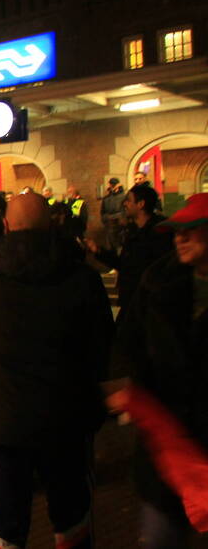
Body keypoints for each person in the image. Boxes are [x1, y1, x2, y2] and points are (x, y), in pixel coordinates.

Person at [0, 192, 114, 549]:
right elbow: (104, 345)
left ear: (6, 226)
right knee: (73, 522)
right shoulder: (81, 277)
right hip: (68, 423)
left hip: (2, 427)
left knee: (5, 531)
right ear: (51, 226)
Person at [110, 193, 208, 546]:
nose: (179, 238)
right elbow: (130, 340)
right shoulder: (159, 282)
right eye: (176, 230)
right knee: (160, 536)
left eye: (191, 230)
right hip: (169, 445)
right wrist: (134, 388)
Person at [87, 182, 172, 317]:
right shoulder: (132, 231)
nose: (124, 204)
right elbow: (123, 263)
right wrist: (98, 251)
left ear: (141, 204)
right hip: (131, 301)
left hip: (149, 306)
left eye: (128, 200)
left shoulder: (160, 232)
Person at [100, 178, 127, 254]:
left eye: (113, 185)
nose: (112, 187)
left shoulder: (124, 197)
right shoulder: (106, 198)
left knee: (120, 248)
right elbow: (103, 212)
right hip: (109, 227)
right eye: (111, 185)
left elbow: (125, 211)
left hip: (120, 228)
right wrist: (105, 219)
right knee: (111, 248)